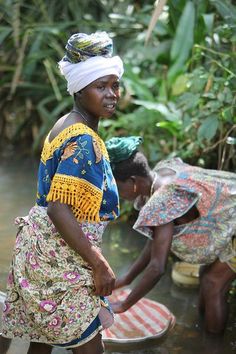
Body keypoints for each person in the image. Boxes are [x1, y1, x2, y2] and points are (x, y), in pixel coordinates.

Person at [0, 31, 124, 354]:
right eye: (101, 86)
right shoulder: (84, 139)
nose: (112, 94)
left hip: (39, 252)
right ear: (80, 89)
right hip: (60, 261)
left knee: (40, 344)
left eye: (115, 85)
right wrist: (98, 263)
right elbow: (58, 207)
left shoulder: (65, 124)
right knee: (88, 345)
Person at [105, 136, 236, 334]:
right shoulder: (162, 173)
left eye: (116, 186)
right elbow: (155, 243)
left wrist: (124, 305)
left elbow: (157, 268)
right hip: (230, 219)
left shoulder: (162, 201)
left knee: (213, 283)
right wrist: (126, 279)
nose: (115, 193)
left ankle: (213, 346)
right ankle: (202, 331)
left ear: (133, 182)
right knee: (206, 276)